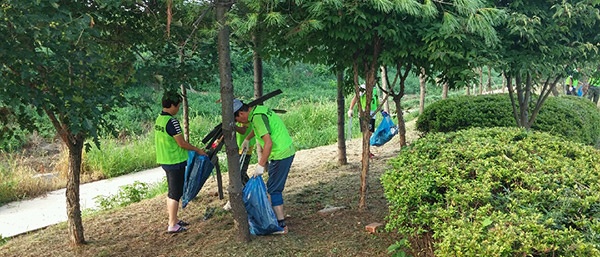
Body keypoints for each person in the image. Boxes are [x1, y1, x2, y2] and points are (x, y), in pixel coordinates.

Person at [233, 98, 295, 234]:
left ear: (241, 114)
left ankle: (281, 226)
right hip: (285, 150)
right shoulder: (258, 110)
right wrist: (248, 139)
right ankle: (277, 218)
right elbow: (259, 129)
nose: (240, 123)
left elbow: (268, 143)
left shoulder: (257, 117)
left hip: (281, 154)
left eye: (238, 120)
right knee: (273, 187)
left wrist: (260, 165)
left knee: (273, 190)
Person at [155, 90, 206, 233]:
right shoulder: (172, 122)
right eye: (177, 106)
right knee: (175, 193)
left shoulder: (160, 119)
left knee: (172, 191)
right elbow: (181, 143)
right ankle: (172, 225)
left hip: (165, 159)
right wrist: (197, 150)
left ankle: (174, 219)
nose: (178, 109)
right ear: (171, 105)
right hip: (174, 161)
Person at [223, 121, 255, 211]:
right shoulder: (238, 116)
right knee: (242, 173)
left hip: (245, 148)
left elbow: (243, 131)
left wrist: (233, 126)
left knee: (239, 173)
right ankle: (252, 192)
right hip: (239, 147)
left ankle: (233, 200)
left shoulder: (245, 117)